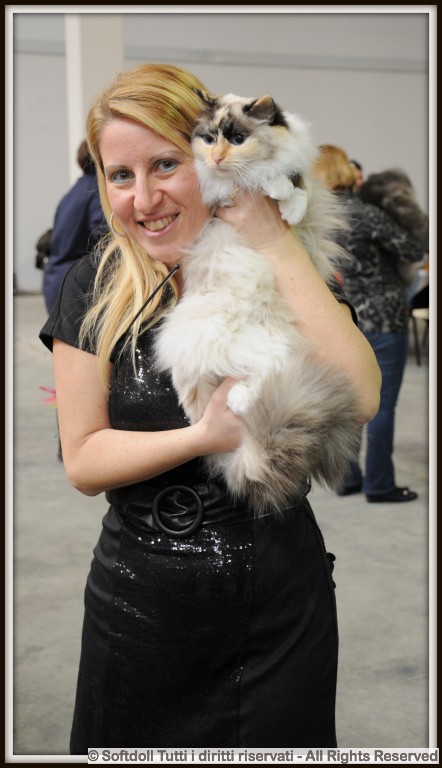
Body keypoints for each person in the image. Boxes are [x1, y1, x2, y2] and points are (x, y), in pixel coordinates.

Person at [39, 64, 380, 751]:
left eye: (165, 164)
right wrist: (204, 435)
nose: (144, 198)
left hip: (276, 606)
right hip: (140, 604)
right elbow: (84, 460)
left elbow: (362, 394)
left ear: (207, 156)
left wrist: (272, 240)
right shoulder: (95, 286)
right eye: (120, 175)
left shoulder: (285, 257)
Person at [312, 145, 427, 503]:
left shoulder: (315, 216)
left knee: (348, 402)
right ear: (344, 170)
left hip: (342, 317)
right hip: (383, 316)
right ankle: (379, 484)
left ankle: (347, 479)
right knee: (382, 404)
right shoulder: (367, 213)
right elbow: (413, 250)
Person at [42, 139, 107, 314]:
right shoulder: (95, 191)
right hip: (76, 287)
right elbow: (104, 235)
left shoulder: (73, 192)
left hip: (56, 280)